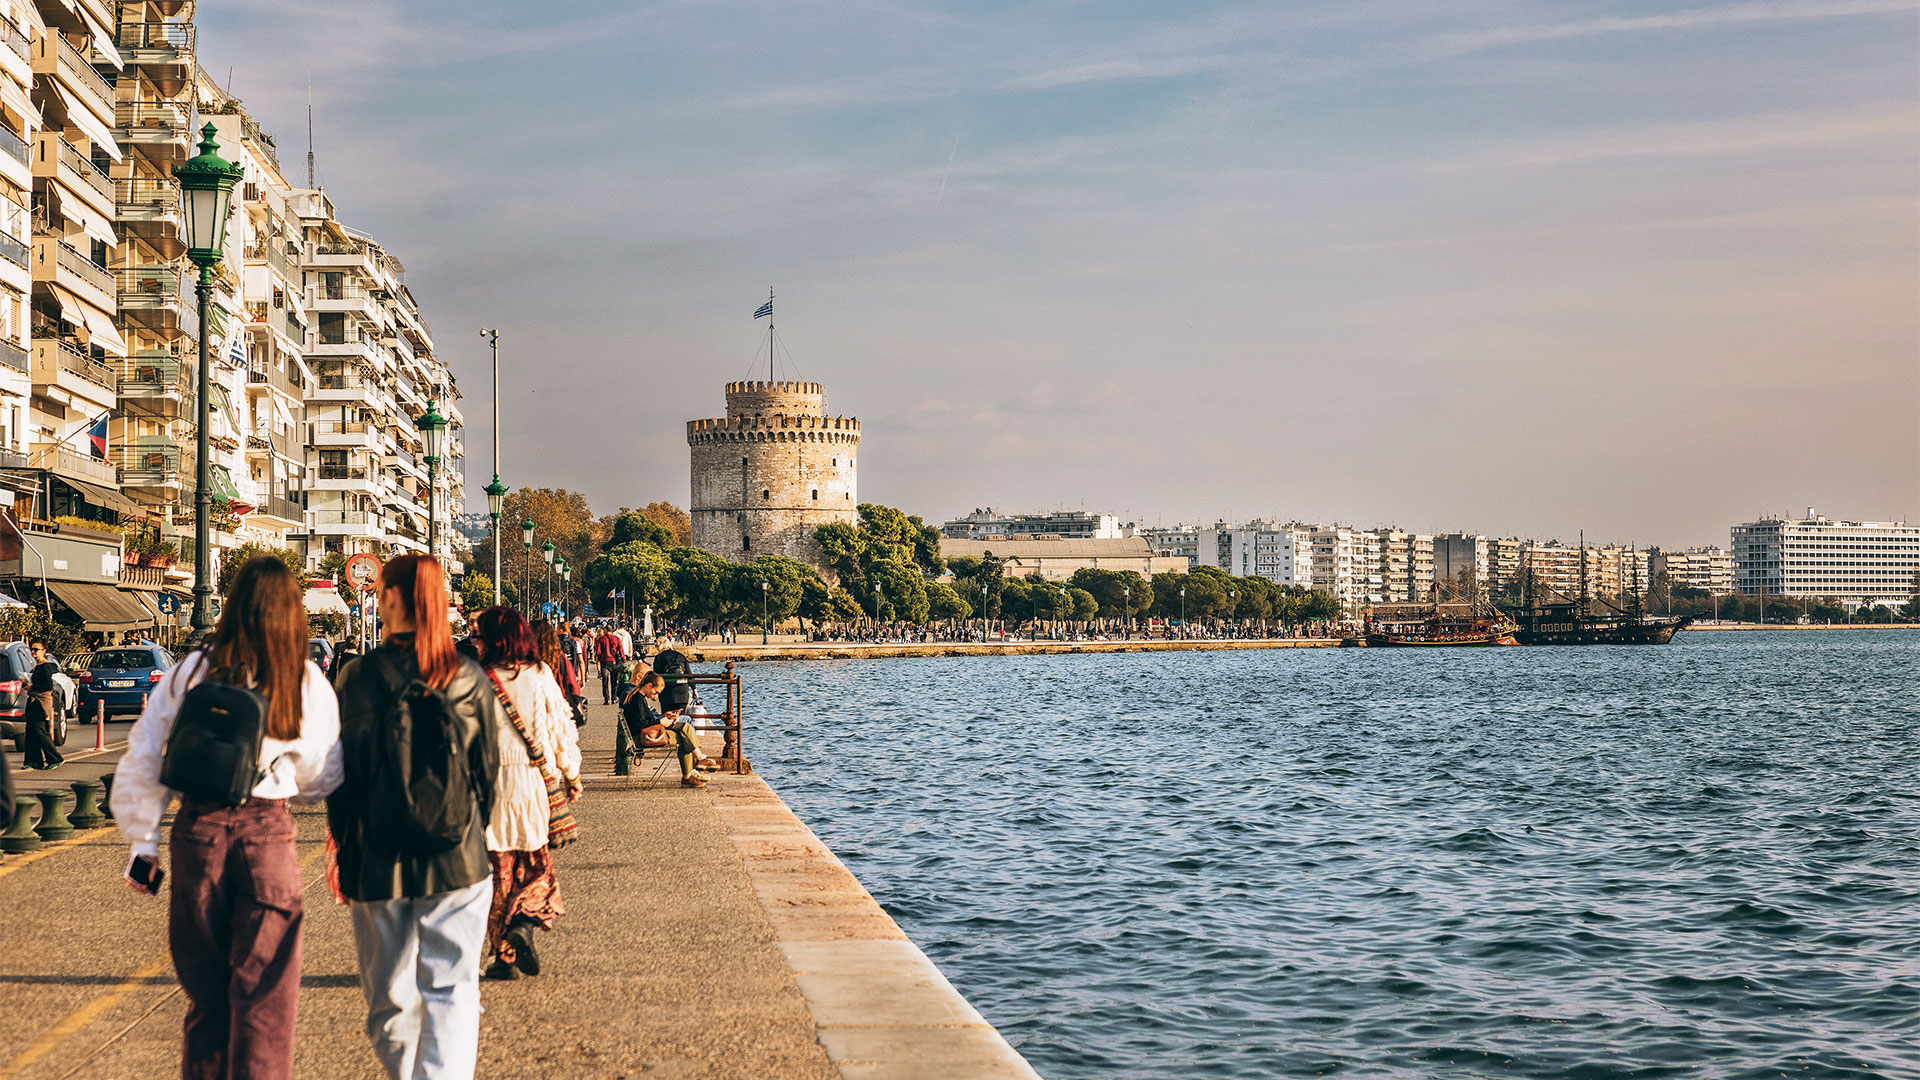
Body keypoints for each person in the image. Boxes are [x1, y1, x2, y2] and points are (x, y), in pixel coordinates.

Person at [111, 556, 344, 1080]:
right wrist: (284, 778)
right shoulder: (304, 679)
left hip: (197, 835)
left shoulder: (191, 670)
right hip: (267, 833)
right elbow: (324, 776)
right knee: (265, 1003)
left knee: (207, 999)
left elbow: (145, 758)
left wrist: (142, 843)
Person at [329, 555, 501, 1080]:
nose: (376, 598)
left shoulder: (357, 678)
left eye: (381, 590)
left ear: (395, 599)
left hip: (378, 859)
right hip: (458, 857)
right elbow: (486, 775)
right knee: (452, 990)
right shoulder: (468, 677)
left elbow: (342, 779)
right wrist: (468, 826)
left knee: (388, 1006)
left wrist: (346, 846)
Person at [471, 607, 580, 981]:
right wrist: (572, 773)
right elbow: (559, 725)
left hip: (489, 787)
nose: (475, 641)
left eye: (480, 635)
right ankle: (525, 920)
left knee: (499, 872)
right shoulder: (540, 674)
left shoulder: (477, 679)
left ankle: (503, 956)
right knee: (536, 862)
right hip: (532, 781)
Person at [619, 667, 718, 787]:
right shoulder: (637, 699)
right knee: (684, 735)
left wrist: (665, 717)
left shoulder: (636, 696)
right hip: (644, 737)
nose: (655, 696)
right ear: (649, 685)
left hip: (646, 733)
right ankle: (693, 769)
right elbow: (640, 724)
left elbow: (645, 719)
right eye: (656, 692)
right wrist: (660, 722)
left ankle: (695, 767)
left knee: (685, 729)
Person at [531, 620, 583, 726]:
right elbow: (572, 686)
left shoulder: (525, 660)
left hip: (533, 710)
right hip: (557, 708)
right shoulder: (559, 658)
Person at [21, 639, 62, 770]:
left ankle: (55, 758)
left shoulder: (45, 667)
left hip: (41, 702)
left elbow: (47, 686)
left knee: (39, 731)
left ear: (44, 651)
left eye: (36, 650)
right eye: (31, 649)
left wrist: (32, 687)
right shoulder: (36, 667)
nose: (33, 652)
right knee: (31, 732)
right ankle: (33, 762)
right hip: (33, 701)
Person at [593, 623, 627, 704]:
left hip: (604, 662)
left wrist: (600, 658)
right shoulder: (616, 639)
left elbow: (597, 652)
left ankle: (606, 698)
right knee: (614, 681)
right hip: (614, 662)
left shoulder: (601, 639)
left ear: (605, 630)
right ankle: (614, 698)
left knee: (605, 681)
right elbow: (621, 650)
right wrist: (623, 660)